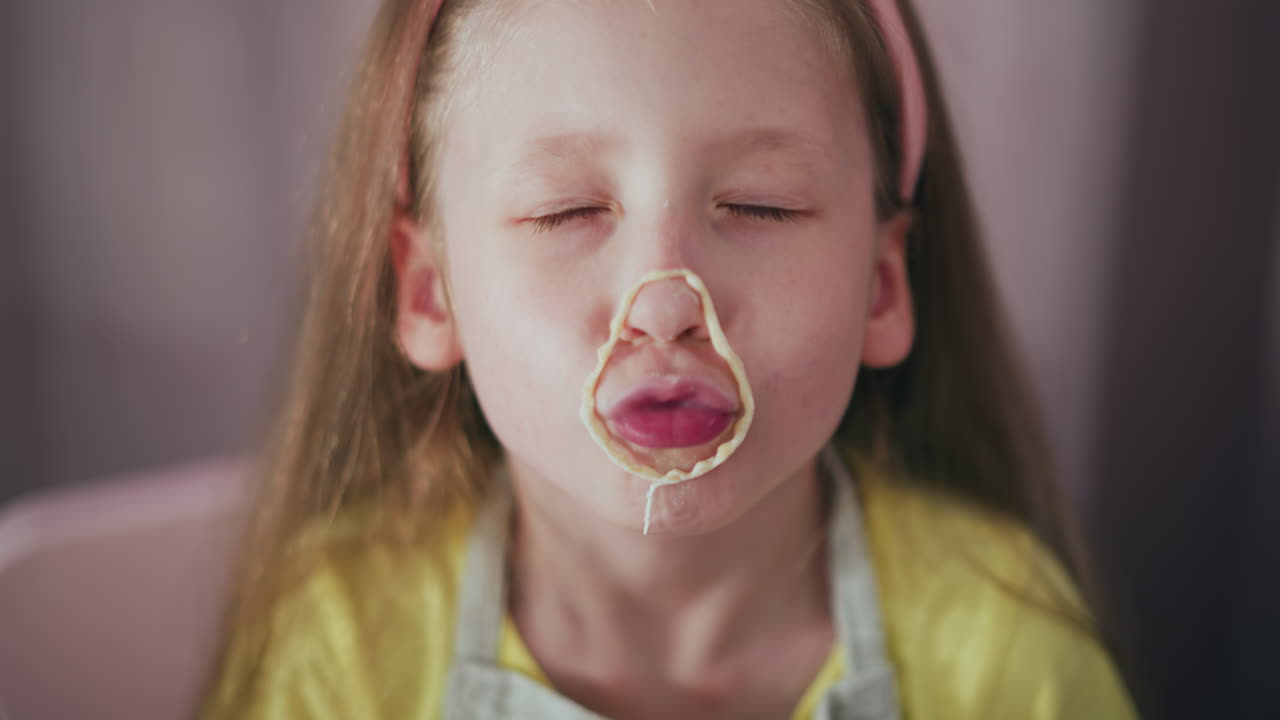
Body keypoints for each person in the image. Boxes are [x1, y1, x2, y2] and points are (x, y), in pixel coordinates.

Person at [200, 0, 1138, 718]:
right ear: (431, 293)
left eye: (762, 205)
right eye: (567, 211)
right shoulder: (338, 651)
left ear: (882, 287)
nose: (665, 304)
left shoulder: (1007, 659)